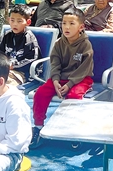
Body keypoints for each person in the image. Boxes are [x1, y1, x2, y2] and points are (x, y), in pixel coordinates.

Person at [30, 8, 94, 148]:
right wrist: (55, 80)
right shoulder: (59, 43)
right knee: (40, 93)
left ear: (81, 27)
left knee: (74, 97)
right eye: (64, 23)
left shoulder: (85, 45)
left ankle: (73, 130)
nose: (67, 27)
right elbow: (55, 62)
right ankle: (38, 126)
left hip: (81, 79)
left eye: (71, 23)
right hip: (60, 79)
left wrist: (70, 84)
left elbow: (84, 68)